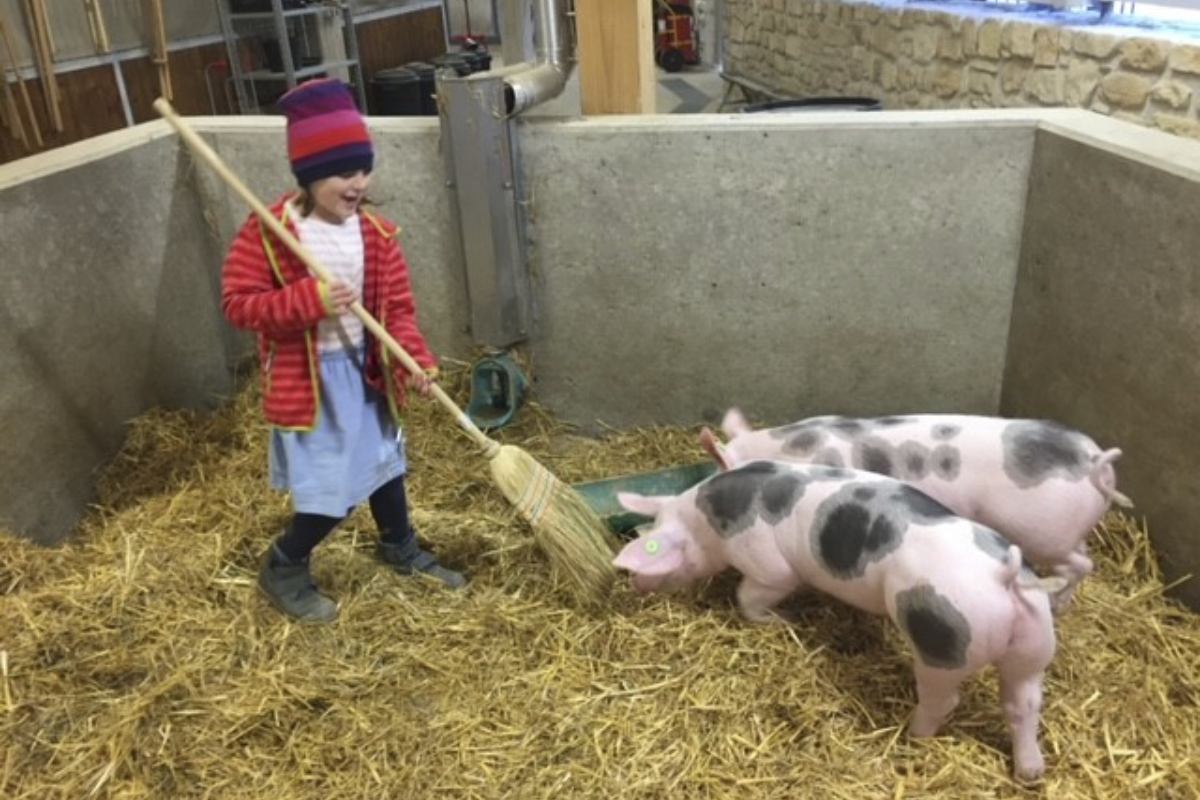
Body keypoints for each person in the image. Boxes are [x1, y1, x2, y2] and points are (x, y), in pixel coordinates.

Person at [221, 78, 465, 624]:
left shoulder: (376, 233)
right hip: (309, 386)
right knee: (333, 491)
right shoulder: (270, 234)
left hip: (367, 373)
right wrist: (312, 299)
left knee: (384, 465)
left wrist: (414, 360)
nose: (358, 183)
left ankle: (399, 544)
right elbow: (239, 305)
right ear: (308, 174)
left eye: (363, 169)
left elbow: (397, 312)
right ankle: (284, 565)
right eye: (342, 172)